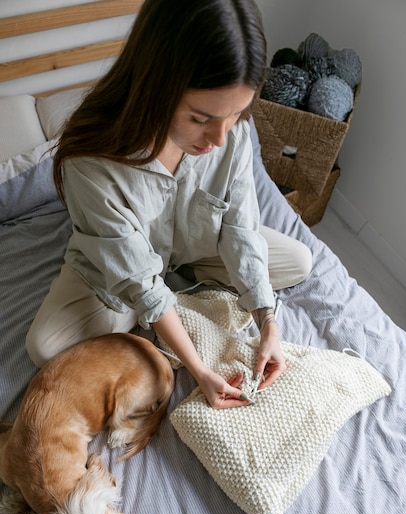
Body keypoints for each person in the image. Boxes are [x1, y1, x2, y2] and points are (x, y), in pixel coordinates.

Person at [26, 0, 312, 409]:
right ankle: (177, 298)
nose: (218, 137)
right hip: (125, 271)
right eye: (200, 119)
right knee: (45, 346)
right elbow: (141, 283)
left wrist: (268, 323)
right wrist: (200, 369)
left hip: (198, 247)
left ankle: (184, 283)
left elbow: (241, 229)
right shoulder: (90, 162)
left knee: (297, 261)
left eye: (234, 114)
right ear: (155, 86)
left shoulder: (231, 132)